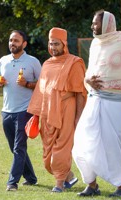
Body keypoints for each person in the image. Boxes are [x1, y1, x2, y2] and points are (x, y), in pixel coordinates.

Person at [72, 10, 121, 197]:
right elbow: (91, 70)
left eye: (96, 23)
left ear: (108, 24)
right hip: (95, 99)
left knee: (114, 144)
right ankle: (92, 185)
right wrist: (88, 80)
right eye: (93, 23)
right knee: (81, 143)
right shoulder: (95, 44)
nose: (93, 26)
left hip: (117, 103)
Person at [27, 27, 87, 193]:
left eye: (56, 44)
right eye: (51, 44)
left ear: (64, 44)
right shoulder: (46, 64)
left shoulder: (74, 62)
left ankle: (59, 184)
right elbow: (41, 90)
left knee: (62, 147)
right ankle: (69, 176)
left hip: (66, 110)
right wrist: (36, 114)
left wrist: (78, 117)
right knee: (47, 154)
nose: (53, 47)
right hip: (46, 112)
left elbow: (80, 92)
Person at [0, 30, 41, 191]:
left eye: (16, 40)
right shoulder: (3, 61)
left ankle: (12, 182)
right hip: (6, 111)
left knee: (19, 147)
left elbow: (42, 83)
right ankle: (31, 177)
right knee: (14, 147)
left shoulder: (32, 61)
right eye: (10, 40)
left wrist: (27, 83)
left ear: (24, 44)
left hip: (25, 110)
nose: (12, 43)